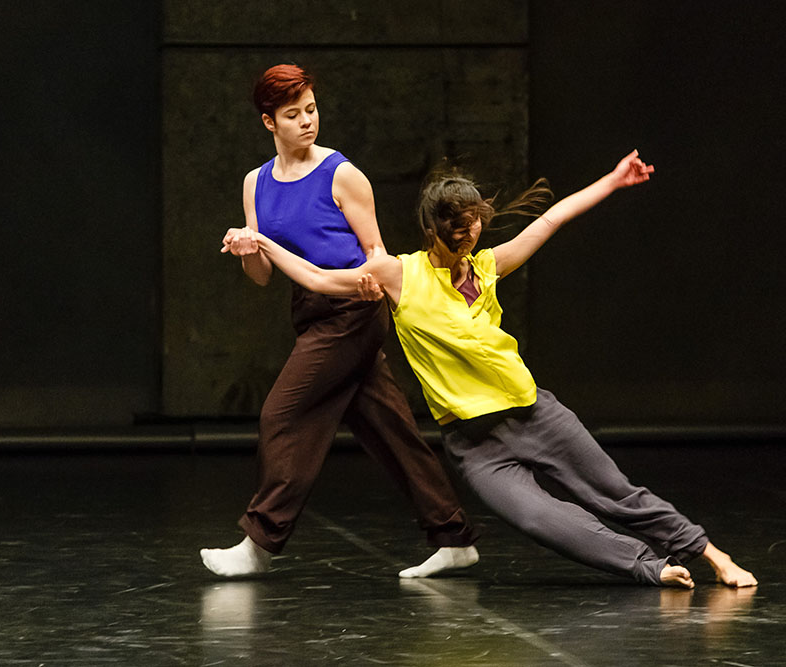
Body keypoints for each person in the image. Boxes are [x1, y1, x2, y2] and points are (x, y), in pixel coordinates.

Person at [224, 150, 758, 588]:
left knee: (616, 493)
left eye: (477, 222)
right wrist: (262, 241)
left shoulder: (488, 265)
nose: (472, 234)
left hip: (535, 415)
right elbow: (319, 279)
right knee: (538, 518)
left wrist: (614, 180)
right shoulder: (398, 275)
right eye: (461, 226)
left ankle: (714, 555)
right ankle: (650, 567)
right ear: (434, 228)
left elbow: (553, 218)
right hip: (476, 447)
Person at [201, 64, 480, 580]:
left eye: (311, 109)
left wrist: (368, 284)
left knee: (282, 415)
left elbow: (375, 251)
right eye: (293, 114)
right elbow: (262, 275)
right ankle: (453, 536)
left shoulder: (341, 174)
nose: (307, 120)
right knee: (388, 428)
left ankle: (259, 542)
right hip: (309, 312)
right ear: (269, 123)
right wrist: (246, 247)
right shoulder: (256, 183)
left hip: (353, 310)